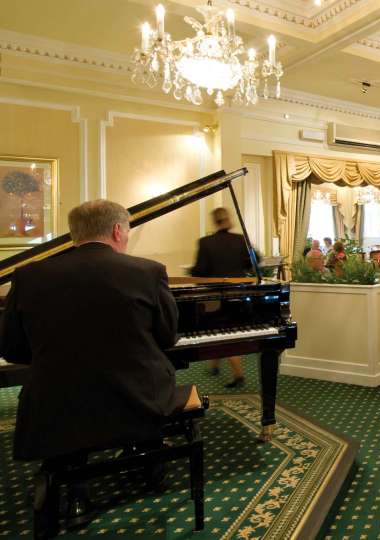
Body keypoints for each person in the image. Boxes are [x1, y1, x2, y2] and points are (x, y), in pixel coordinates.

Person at [1, 200, 200, 527]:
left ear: (74, 234)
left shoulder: (28, 276)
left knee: (69, 396)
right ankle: (149, 462)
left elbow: (13, 349)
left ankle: (76, 492)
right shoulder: (147, 272)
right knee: (150, 378)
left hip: (55, 401)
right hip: (137, 396)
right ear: (118, 230)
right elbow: (167, 339)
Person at [191, 207, 254, 388]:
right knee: (224, 328)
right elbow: (252, 261)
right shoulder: (240, 240)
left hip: (216, 294)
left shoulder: (205, 242)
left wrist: (191, 272)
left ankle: (239, 374)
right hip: (238, 292)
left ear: (214, 221)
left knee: (223, 331)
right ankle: (215, 365)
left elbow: (200, 270)